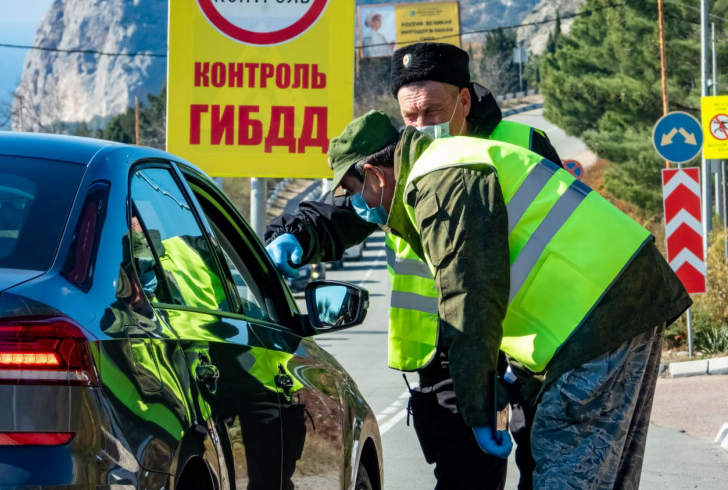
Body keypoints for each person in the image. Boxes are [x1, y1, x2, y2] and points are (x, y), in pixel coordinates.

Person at [326, 110, 692, 488]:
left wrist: (480, 414)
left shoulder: (439, 179)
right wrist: (497, 386)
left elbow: (470, 299)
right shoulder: (447, 163)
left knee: (565, 468)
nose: (358, 205)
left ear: (374, 174)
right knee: (603, 477)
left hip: (597, 321)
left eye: (353, 192)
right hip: (617, 303)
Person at [266, 43, 560, 489]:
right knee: (465, 479)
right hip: (443, 354)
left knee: (547, 470)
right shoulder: (397, 161)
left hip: (524, 346)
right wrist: (295, 233)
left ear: (464, 100)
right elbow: (343, 208)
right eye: (410, 118)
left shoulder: (523, 147)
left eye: (433, 112)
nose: (421, 128)